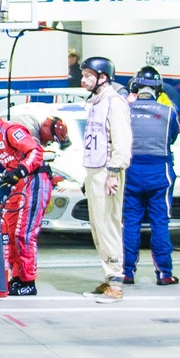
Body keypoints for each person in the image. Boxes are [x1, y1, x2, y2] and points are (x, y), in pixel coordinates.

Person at [0, 101, 64, 297]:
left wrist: (20, 170)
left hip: (34, 181)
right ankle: (17, 277)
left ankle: (28, 281)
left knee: (23, 234)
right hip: (19, 185)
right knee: (10, 233)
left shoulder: (10, 130)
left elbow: (35, 152)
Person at [121, 72, 180, 285]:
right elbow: (172, 138)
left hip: (131, 171)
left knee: (130, 222)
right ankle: (165, 274)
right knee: (160, 223)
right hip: (160, 172)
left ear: (135, 88)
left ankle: (126, 272)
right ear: (158, 89)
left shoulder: (125, 110)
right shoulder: (169, 111)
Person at [79, 56, 133, 302]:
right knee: (98, 227)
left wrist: (113, 172)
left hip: (107, 173)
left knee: (109, 226)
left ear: (103, 77)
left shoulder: (114, 102)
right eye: (83, 74)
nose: (84, 79)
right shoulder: (95, 103)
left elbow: (122, 141)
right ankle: (107, 277)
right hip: (95, 171)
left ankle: (116, 282)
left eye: (89, 75)